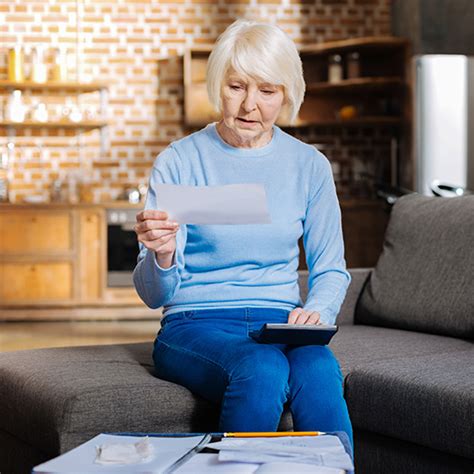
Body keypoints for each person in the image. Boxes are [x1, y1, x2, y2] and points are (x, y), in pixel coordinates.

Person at [133, 19, 353, 448]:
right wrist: (160, 257)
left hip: (280, 322)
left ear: (287, 93)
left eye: (267, 91)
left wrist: (319, 312)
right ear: (219, 86)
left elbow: (331, 268)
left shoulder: (309, 166)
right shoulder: (180, 160)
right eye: (237, 87)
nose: (249, 105)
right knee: (262, 367)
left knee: (320, 369)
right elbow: (153, 294)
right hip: (193, 323)